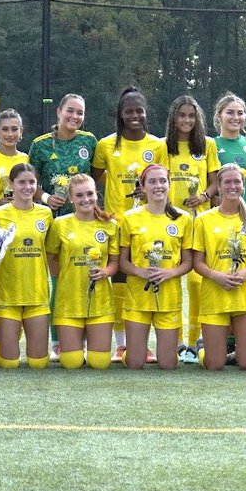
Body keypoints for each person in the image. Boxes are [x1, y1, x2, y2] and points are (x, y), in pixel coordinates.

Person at [91, 87, 167, 362]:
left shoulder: (157, 145)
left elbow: (161, 181)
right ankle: (121, 345)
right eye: (128, 111)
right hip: (114, 223)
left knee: (143, 281)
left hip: (147, 224)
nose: (134, 116)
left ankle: (145, 345)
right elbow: (98, 175)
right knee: (119, 283)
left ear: (146, 113)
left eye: (139, 110)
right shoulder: (106, 145)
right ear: (120, 115)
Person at [29, 93, 97, 362]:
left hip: (86, 222)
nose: (75, 117)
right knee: (59, 282)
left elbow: (97, 176)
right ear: (59, 111)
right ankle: (57, 341)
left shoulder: (89, 141)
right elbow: (29, 183)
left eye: (80, 113)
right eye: (70, 111)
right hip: (54, 223)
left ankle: (87, 336)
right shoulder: (40, 145)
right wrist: (46, 198)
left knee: (84, 275)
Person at [191, 163, 246, 370]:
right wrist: (217, 276)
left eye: (237, 182)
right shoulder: (203, 220)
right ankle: (204, 348)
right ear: (218, 185)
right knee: (214, 365)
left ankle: (234, 349)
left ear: (243, 186)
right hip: (215, 294)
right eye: (227, 182)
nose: (232, 186)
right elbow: (197, 263)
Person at [161, 96, 219, 364]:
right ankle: (176, 340)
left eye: (191, 116)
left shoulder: (207, 145)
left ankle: (196, 341)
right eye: (181, 115)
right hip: (171, 221)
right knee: (172, 279)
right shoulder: (164, 147)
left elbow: (214, 181)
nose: (186, 120)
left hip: (199, 220)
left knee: (197, 281)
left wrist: (205, 196)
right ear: (173, 118)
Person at [118, 164, 193, 369]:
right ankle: (129, 353)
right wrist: (138, 271)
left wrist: (170, 273)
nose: (158, 185)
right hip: (138, 298)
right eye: (152, 181)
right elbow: (122, 261)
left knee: (168, 364)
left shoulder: (183, 219)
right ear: (142, 186)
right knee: (135, 363)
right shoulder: (130, 218)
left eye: (162, 181)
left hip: (168, 298)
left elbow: (188, 262)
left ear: (169, 184)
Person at [45, 173, 119, 369]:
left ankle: (91, 346)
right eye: (79, 195)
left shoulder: (109, 225)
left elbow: (114, 262)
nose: (85, 199)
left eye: (90, 194)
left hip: (100, 301)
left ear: (97, 195)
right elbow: (51, 256)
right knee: (72, 363)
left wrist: (106, 272)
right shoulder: (60, 224)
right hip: (68, 300)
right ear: (71, 198)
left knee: (100, 363)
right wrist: (63, 279)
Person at [0, 164, 53, 370]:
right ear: (11, 184)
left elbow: (50, 252)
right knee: (9, 364)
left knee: (39, 363)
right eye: (22, 182)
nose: (27, 187)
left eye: (32, 182)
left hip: (37, 293)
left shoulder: (45, 214)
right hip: (7, 294)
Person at [212, 92, 246, 211]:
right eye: (230, 112)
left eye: (240, 113)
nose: (236, 117)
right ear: (219, 116)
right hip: (224, 214)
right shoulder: (210, 145)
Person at [0, 109, 30, 208]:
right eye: (5, 129)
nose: (10, 134)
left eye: (14, 129)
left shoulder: (26, 159)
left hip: (22, 216)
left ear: (21, 131)